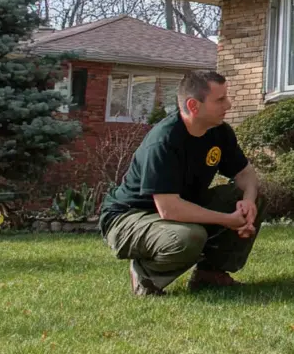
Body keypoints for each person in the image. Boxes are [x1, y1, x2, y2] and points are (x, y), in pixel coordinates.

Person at [98, 70, 262, 296]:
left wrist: (248, 201)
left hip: (175, 209)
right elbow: (169, 208)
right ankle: (146, 276)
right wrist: (228, 220)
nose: (230, 104)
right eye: (220, 99)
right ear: (194, 106)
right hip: (129, 217)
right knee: (189, 237)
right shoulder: (164, 141)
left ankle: (209, 274)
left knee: (250, 196)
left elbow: (245, 173)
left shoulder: (219, 132)